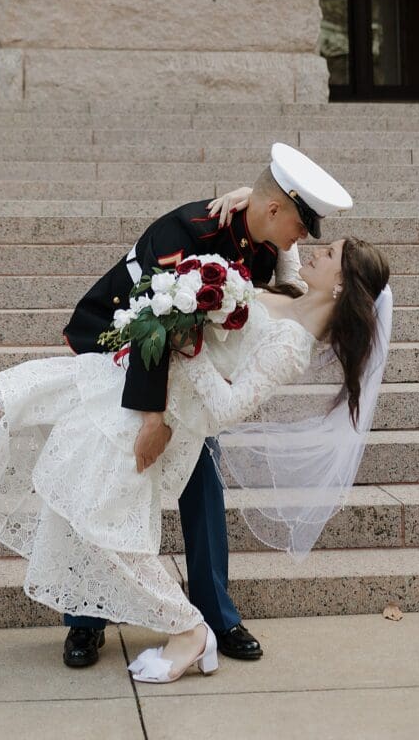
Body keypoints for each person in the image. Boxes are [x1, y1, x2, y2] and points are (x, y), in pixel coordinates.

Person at [0, 235, 391, 684]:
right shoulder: (295, 289)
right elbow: (284, 234)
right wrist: (248, 204)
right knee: (26, 385)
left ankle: (190, 628)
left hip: (158, 421)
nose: (315, 251)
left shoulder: (293, 347)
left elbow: (227, 409)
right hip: (125, 381)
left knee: (108, 530)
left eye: (330, 253)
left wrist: (189, 347)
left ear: (341, 284)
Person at [58, 142, 352, 667]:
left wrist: (251, 204)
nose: (303, 239)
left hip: (183, 369)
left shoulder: (261, 240)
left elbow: (286, 283)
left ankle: (218, 615)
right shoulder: (187, 232)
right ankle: (85, 618)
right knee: (105, 483)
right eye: (301, 224)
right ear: (277, 209)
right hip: (117, 348)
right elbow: (153, 327)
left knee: (202, 478)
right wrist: (152, 419)